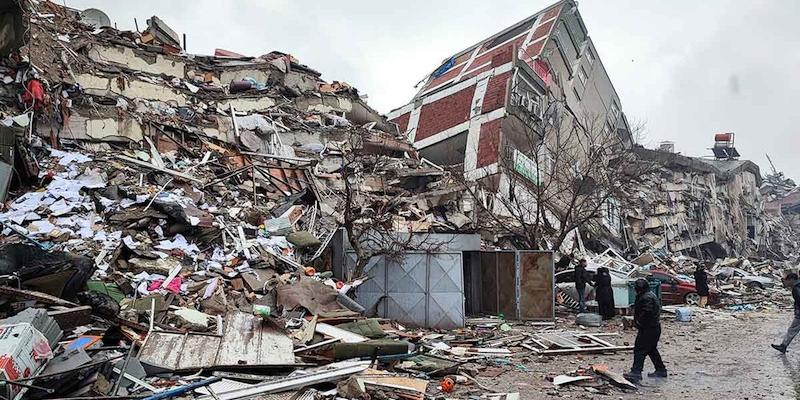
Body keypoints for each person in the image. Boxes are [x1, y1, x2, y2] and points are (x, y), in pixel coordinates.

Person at [624, 278, 667, 383]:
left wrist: (639, 322)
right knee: (651, 349)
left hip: (648, 328)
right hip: (653, 327)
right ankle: (661, 370)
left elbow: (647, 312)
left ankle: (636, 373)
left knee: (640, 349)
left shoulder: (646, 297)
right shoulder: (649, 295)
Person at [771, 273, 800, 353]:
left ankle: (783, 346)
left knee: (792, 329)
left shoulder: (796, 289)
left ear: (791, 280)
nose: (786, 283)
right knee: (792, 329)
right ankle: (783, 346)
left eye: (786, 280)